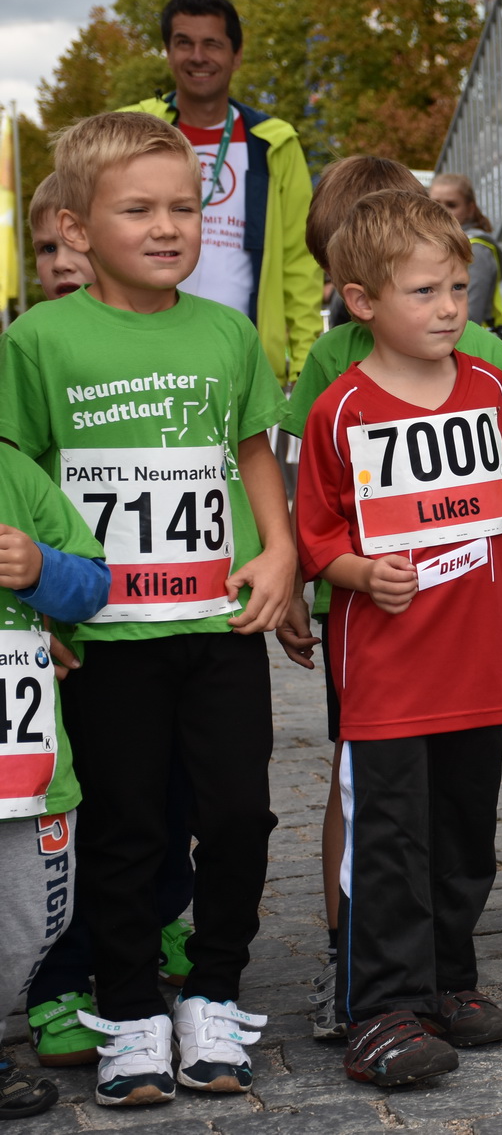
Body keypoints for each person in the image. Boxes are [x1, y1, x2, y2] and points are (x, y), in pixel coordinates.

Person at [0, 111, 294, 1104]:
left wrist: (282, 549)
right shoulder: (40, 341)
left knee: (240, 815)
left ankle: (212, 993)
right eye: (138, 209)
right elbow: (20, 479)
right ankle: (127, 1011)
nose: (168, 226)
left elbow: (253, 448)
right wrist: (42, 612)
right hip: (108, 638)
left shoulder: (225, 332)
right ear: (76, 228)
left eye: (182, 208)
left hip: (218, 627)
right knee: (125, 828)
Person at [274, 155, 502, 1045]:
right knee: (390, 842)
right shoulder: (339, 408)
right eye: (425, 291)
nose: (451, 306)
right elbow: (318, 530)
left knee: (464, 834)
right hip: (387, 670)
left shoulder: (493, 388)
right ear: (362, 301)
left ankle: (450, 980)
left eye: (458, 287)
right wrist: (354, 574)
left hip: (480, 662)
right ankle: (381, 1005)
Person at [20, 172, 198, 1072]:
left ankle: (158, 918)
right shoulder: (36, 350)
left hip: (168, 613)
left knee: (163, 794)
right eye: (45, 252)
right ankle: (60, 976)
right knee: (76, 815)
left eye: (68, 251)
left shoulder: (180, 335)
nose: (60, 265)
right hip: (70, 637)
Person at [121, 0, 322, 384]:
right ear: (167, 52)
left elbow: (300, 261)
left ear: (237, 54)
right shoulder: (130, 132)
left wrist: (303, 364)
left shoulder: (273, 143)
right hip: (145, 355)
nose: (198, 56)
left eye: (211, 43)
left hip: (246, 359)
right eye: (184, 43)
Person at [0, 438, 110, 1120]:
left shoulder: (16, 471)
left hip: (27, 769)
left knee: (32, 921)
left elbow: (94, 584)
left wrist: (40, 568)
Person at [431, 173, 502, 327]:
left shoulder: (475, 250)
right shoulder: (439, 244)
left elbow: (470, 317)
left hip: (473, 344)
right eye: (435, 203)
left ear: (470, 209)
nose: (441, 210)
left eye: (451, 205)